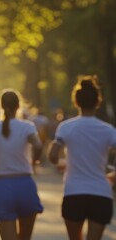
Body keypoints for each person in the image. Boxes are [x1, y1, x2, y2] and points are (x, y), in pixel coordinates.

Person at [48, 75, 116, 240]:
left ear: (76, 101)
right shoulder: (108, 130)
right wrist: (113, 175)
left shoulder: (66, 127)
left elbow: (52, 155)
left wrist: (62, 163)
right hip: (101, 194)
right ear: (97, 101)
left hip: (74, 193)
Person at [0, 89, 43, 240]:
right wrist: (34, 161)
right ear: (18, 106)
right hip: (25, 184)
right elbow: (39, 146)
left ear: (1, 106)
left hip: (3, 186)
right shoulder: (27, 127)